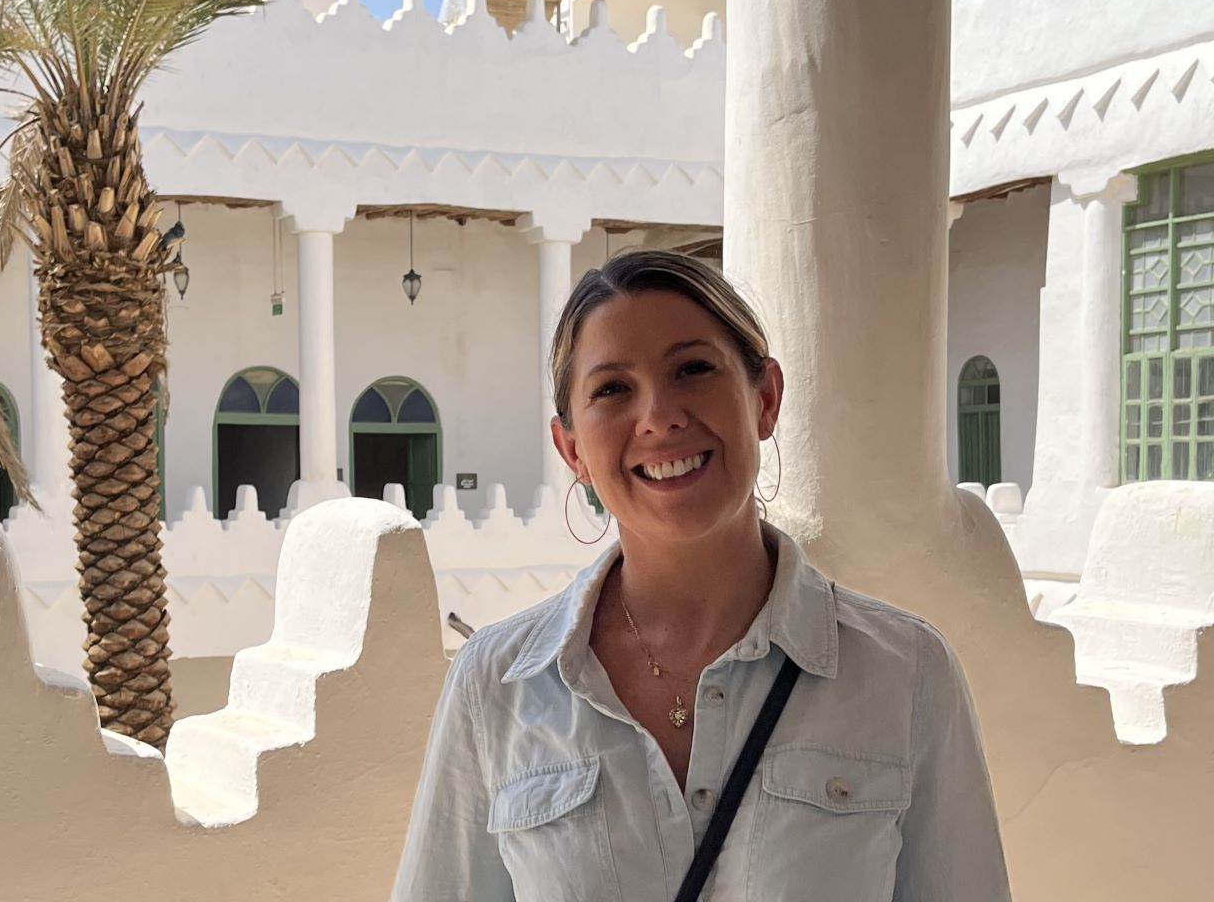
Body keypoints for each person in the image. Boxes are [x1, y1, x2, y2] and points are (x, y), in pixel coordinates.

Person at [391, 249, 1010, 901]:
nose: (660, 416)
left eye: (692, 368)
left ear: (765, 398)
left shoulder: (905, 674)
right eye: (612, 389)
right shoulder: (498, 688)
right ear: (571, 448)